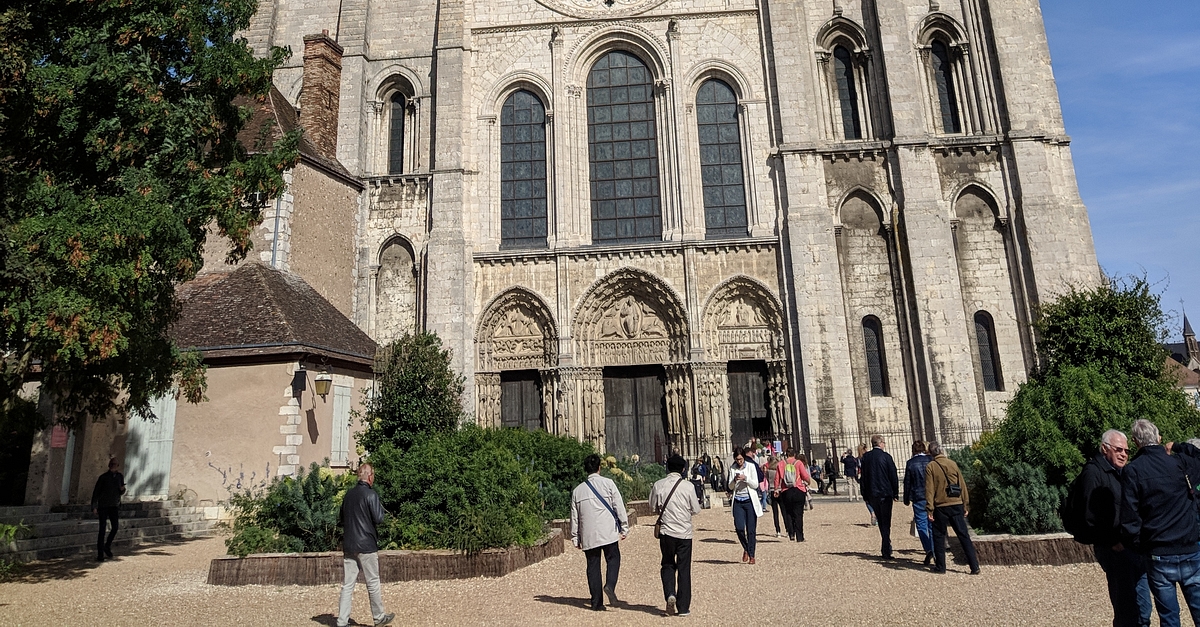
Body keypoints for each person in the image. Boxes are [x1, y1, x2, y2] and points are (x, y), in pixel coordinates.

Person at [1120, 419, 1200, 627]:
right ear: (1159, 438)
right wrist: (1178, 447)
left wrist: (1141, 546)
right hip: (1189, 546)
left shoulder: (1133, 471)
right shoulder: (1179, 462)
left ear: (1136, 443)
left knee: (1169, 618)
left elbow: (1129, 519)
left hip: (1158, 552)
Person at [1071, 429, 1151, 627]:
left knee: (1142, 606)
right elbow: (1091, 514)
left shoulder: (1121, 472)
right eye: (1119, 450)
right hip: (1114, 549)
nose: (1124, 454)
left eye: (1126, 451)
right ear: (1105, 448)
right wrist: (1111, 542)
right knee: (1125, 607)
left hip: (1131, 546)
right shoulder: (1093, 472)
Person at [337, 462, 395, 627]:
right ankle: (378, 617)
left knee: (348, 584)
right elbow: (379, 518)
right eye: (373, 475)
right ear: (369, 476)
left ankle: (341, 621)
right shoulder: (371, 495)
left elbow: (341, 519)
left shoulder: (348, 495)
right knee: (373, 582)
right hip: (366, 544)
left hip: (349, 544)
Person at [571, 453, 630, 611]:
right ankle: (610, 585)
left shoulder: (578, 491)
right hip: (607, 532)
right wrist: (624, 527)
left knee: (593, 566)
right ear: (599, 467)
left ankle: (597, 603)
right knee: (613, 558)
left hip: (588, 535)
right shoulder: (608, 483)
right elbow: (619, 506)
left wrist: (575, 537)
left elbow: (574, 517)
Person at [649, 455, 702, 617]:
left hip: (667, 532)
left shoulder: (659, 485)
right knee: (684, 569)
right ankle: (683, 607)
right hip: (684, 533)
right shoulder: (688, 487)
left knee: (667, 564)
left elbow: (652, 507)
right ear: (683, 469)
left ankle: (670, 593)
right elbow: (696, 509)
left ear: (667, 468)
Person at [924, 441, 980, 575]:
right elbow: (962, 484)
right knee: (963, 535)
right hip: (956, 503)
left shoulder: (931, 466)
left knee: (939, 536)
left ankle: (941, 567)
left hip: (941, 506)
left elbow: (929, 490)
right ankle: (974, 565)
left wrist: (929, 509)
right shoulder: (952, 463)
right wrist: (965, 503)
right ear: (941, 451)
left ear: (931, 453)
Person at [859, 434, 899, 560]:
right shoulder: (886, 457)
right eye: (884, 442)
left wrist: (864, 493)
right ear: (880, 443)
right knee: (886, 521)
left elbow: (863, 477)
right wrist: (896, 492)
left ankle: (886, 545)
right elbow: (893, 475)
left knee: (881, 521)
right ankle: (886, 548)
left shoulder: (866, 457)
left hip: (872, 493)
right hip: (885, 493)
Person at [726, 448, 762, 563]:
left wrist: (746, 478)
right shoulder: (733, 468)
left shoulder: (751, 466)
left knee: (751, 530)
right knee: (739, 528)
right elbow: (730, 487)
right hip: (738, 501)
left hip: (749, 501)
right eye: (737, 459)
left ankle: (752, 554)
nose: (739, 461)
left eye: (741, 459)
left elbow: (755, 484)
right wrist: (735, 480)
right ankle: (746, 548)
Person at [903, 440, 935, 566]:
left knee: (921, 525)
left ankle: (928, 549)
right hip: (931, 497)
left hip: (918, 497)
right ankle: (934, 550)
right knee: (932, 525)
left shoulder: (910, 463)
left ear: (913, 450)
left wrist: (906, 498)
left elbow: (907, 482)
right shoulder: (930, 460)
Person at [91, 458, 126, 562]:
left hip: (114, 506)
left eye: (116, 464)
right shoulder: (103, 477)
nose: (114, 466)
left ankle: (107, 546)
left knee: (115, 528)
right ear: (109, 465)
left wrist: (122, 490)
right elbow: (96, 492)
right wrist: (94, 506)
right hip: (103, 506)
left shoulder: (120, 477)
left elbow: (121, 491)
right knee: (102, 530)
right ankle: (100, 554)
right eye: (113, 464)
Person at [774, 451, 811, 542]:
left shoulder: (781, 464)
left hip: (786, 490)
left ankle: (791, 533)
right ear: (794, 455)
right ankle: (800, 536)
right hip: (798, 489)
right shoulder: (798, 463)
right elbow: (805, 476)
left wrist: (776, 489)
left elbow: (777, 478)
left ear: (786, 454)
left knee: (788, 513)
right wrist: (809, 482)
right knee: (798, 514)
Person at [764, 454, 782, 537]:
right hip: (779, 490)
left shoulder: (768, 471)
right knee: (784, 510)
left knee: (775, 512)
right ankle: (788, 530)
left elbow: (767, 479)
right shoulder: (779, 470)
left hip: (771, 490)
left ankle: (778, 530)